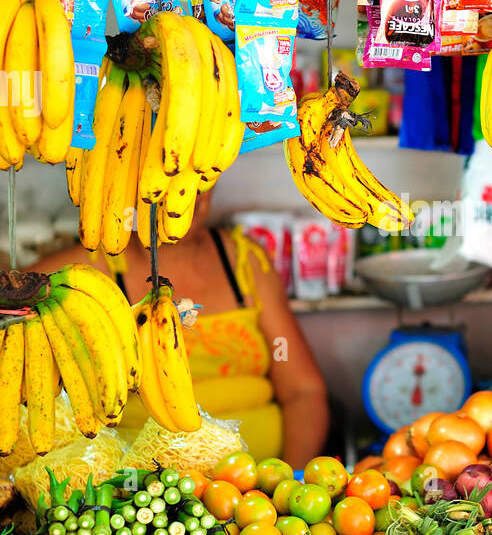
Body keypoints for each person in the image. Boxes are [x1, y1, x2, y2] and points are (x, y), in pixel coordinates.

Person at [34, 194, 329, 469]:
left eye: (196, 179)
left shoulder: (246, 262)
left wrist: (291, 480)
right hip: (139, 498)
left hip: (256, 492)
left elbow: (304, 392)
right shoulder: (82, 275)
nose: (180, 196)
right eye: (165, 179)